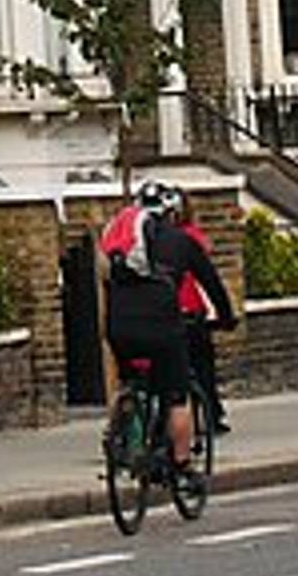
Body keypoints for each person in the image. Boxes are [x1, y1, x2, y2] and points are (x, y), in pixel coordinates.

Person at [98, 177, 238, 481]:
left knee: (131, 381)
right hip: (162, 327)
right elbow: (211, 284)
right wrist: (227, 318)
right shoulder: (181, 241)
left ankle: (121, 435)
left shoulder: (120, 244)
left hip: (118, 327)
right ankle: (181, 463)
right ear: (169, 212)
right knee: (177, 393)